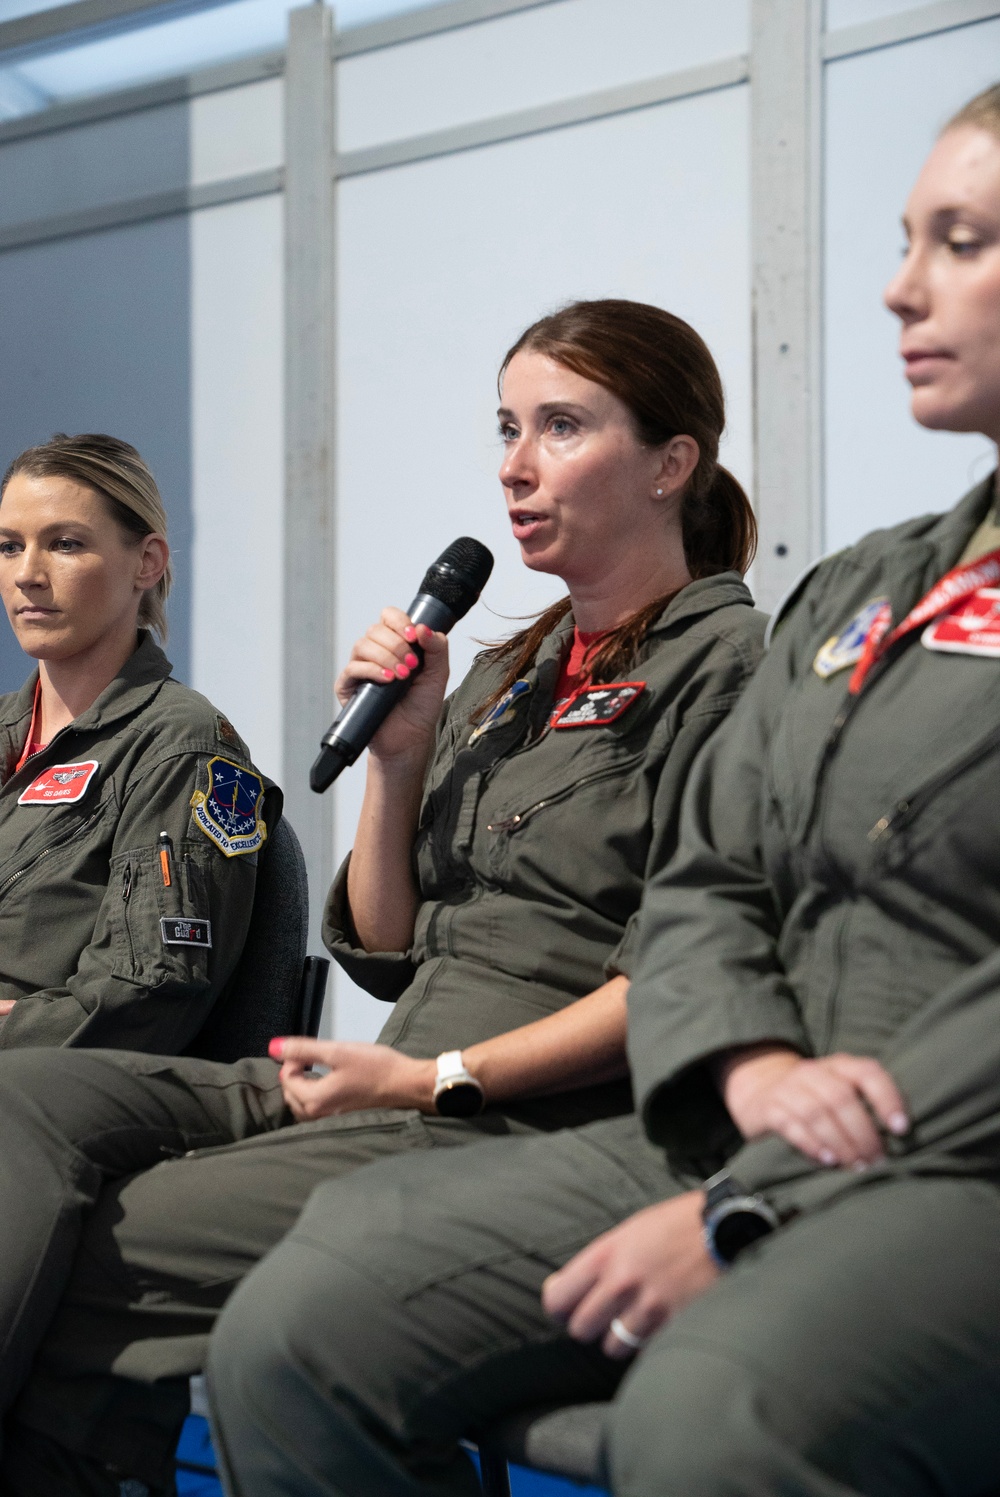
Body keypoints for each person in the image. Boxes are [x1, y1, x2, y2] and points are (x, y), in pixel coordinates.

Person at [201, 82, 1000, 1497]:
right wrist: (747, 1064)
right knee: (296, 1324)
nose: (895, 289)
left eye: (961, 241)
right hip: (743, 1093)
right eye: (904, 237)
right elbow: (708, 886)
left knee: (706, 1416)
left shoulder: (729, 643)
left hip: (921, 1136)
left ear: (669, 463)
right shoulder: (868, 588)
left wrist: (759, 1189)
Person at [0, 300, 765, 1495]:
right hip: (400, 1073)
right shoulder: (514, 670)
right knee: (22, 1101)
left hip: (525, 1120)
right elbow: (389, 951)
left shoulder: (727, 673)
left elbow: (678, 979)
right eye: (508, 426)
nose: (514, 464)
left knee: (98, 1245)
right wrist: (402, 760)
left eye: (559, 427)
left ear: (672, 464)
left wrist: (433, 1080)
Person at [0, 432, 278, 1053]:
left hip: (49, 1097)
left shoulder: (182, 747)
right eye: (9, 546)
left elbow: (145, 995)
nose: (27, 575)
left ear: (147, 563)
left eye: (65, 544)